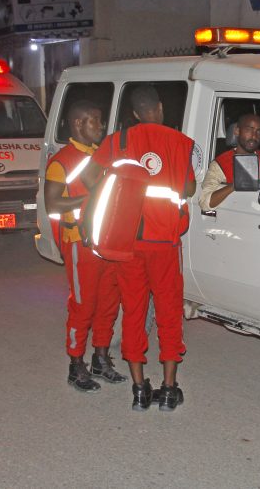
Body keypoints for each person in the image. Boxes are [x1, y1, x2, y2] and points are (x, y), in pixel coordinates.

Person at [85, 85, 196, 412]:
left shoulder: (118, 141)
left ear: (133, 113)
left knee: (133, 311)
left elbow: (92, 177)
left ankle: (138, 389)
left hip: (126, 241)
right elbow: (188, 187)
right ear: (160, 108)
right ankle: (168, 389)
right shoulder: (179, 143)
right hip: (163, 243)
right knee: (168, 312)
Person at [44, 100, 127, 393]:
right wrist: (92, 200)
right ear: (79, 124)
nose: (102, 127)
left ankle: (100, 357)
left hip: (106, 240)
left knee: (108, 303)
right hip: (79, 242)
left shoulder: (101, 156)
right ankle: (75, 364)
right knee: (83, 305)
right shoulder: (62, 161)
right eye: (96, 120)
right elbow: (52, 202)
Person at [199, 113, 260, 211]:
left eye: (259, 132)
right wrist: (235, 185)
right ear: (237, 131)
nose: (254, 136)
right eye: (249, 130)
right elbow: (205, 203)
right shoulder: (221, 164)